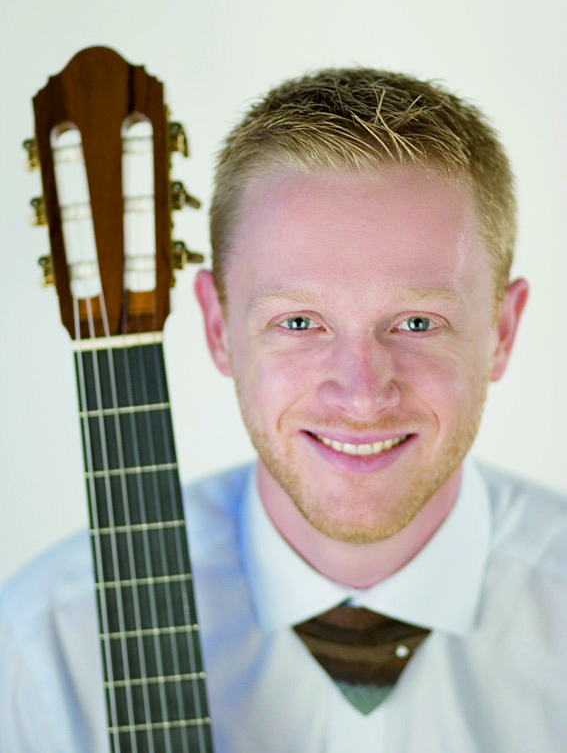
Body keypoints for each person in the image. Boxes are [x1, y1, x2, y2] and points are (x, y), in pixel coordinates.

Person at [1, 67, 565, 752]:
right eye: (298, 323)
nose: (360, 394)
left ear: (501, 333)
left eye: (416, 323)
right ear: (217, 327)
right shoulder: (44, 651)